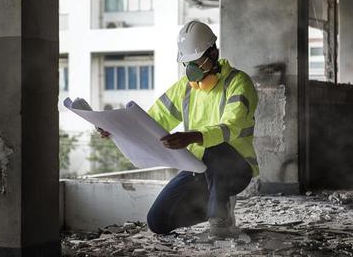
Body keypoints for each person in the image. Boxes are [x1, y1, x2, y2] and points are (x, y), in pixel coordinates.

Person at [97, 20, 259, 239]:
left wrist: (193, 137)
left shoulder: (239, 83)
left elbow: (231, 126)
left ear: (213, 53)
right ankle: (214, 207)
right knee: (158, 221)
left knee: (215, 147)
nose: (191, 69)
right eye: (187, 63)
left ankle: (219, 217)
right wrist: (115, 128)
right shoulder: (184, 89)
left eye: (196, 61)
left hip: (235, 167)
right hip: (198, 168)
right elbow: (151, 120)